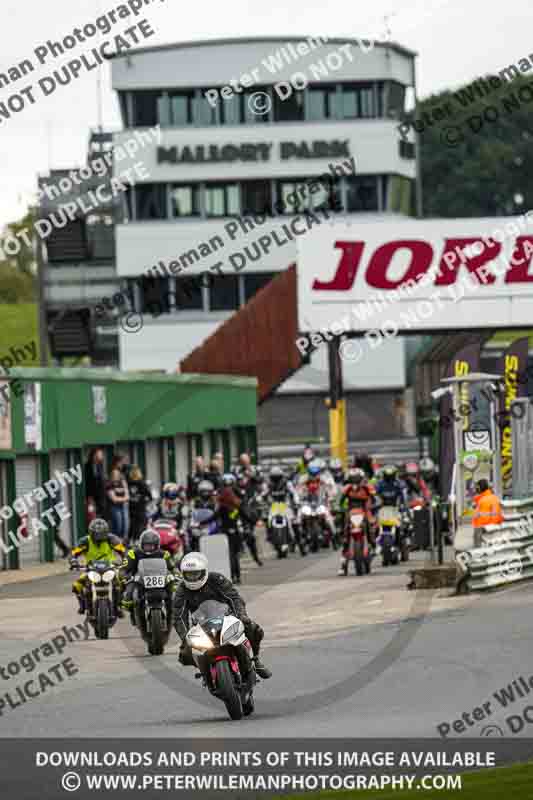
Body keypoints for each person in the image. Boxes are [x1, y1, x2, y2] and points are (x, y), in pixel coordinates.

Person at [174, 552, 272, 679]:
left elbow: (234, 598)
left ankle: (256, 660)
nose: (192, 578)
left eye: (195, 574)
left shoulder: (216, 579)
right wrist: (185, 636)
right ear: (183, 574)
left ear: (204, 572)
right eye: (189, 574)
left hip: (227, 617)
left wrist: (241, 615)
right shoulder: (181, 590)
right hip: (201, 625)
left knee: (252, 628)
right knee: (185, 654)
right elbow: (178, 617)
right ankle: (206, 673)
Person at [70, 518, 126, 614]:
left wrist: (125, 560)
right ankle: (83, 605)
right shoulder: (85, 541)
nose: (99, 537)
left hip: (110, 568)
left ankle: (118, 606)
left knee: (122, 582)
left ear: (106, 532)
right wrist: (73, 561)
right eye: (96, 534)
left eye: (101, 534)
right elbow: (73, 553)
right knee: (77, 585)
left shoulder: (112, 539)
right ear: (91, 532)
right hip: (91, 569)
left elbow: (123, 551)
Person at [120, 529, 175, 623]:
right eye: (146, 545)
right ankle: (132, 611)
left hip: (160, 579)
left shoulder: (164, 554)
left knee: (174, 588)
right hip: (138, 579)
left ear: (157, 545)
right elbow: (124, 568)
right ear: (141, 544)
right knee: (128, 594)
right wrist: (125, 576)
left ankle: (172, 608)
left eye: (151, 545)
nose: (149, 548)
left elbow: (172, 568)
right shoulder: (133, 553)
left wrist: (176, 575)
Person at [216, 473, 243, 583]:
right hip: (236, 532)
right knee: (235, 555)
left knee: (228, 555)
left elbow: (214, 516)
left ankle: (231, 576)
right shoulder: (236, 505)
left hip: (225, 532)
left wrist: (201, 522)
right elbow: (245, 514)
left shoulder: (222, 506)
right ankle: (238, 576)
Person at [234, 472, 263, 566]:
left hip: (246, 515)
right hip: (234, 514)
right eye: (239, 480)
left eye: (242, 480)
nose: (241, 482)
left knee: (250, 537)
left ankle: (256, 558)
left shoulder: (249, 488)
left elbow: (257, 479)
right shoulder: (232, 490)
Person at [127, 465, 152, 544]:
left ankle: (131, 540)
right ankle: (138, 540)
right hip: (140, 508)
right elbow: (149, 495)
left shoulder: (128, 482)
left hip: (131, 507)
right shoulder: (142, 483)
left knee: (133, 525)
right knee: (140, 524)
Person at [107, 468, 130, 541]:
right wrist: (123, 499)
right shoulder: (109, 485)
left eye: (117, 474)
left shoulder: (122, 482)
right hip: (115, 507)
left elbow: (127, 496)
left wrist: (121, 499)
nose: (116, 476)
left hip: (124, 506)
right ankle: (116, 541)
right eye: (114, 475)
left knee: (125, 526)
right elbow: (114, 499)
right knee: (118, 525)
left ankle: (123, 541)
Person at [84, 447, 107, 519]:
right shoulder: (86, 467)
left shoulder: (100, 466)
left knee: (101, 515)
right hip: (91, 497)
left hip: (101, 496)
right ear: (94, 455)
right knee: (91, 516)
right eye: (100, 454)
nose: (102, 456)